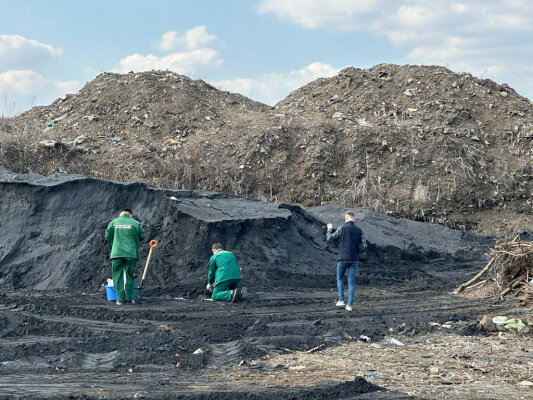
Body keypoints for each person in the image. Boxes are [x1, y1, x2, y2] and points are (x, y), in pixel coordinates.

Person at [326, 211, 367, 312]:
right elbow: (365, 246)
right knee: (351, 282)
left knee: (340, 278)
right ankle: (349, 305)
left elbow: (330, 238)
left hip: (342, 257)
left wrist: (329, 229)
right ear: (354, 218)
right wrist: (357, 251)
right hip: (354, 259)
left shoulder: (342, 228)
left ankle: (341, 300)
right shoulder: (360, 230)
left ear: (347, 217)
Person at [105, 208, 145, 305]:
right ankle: (129, 298)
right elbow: (142, 237)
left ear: (120, 214)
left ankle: (119, 300)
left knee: (117, 276)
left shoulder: (113, 223)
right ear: (130, 215)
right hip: (130, 253)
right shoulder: (135, 223)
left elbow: (107, 236)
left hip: (117, 253)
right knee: (129, 275)